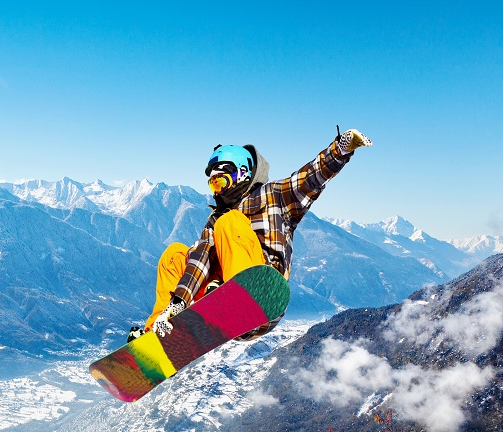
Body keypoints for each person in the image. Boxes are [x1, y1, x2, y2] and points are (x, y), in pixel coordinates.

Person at [129, 128, 372, 341]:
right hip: (222, 297)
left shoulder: (275, 196)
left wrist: (340, 149)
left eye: (221, 181)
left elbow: (309, 177)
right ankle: (161, 331)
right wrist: (177, 302)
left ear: (242, 173)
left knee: (230, 221)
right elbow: (199, 262)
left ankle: (237, 298)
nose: (217, 190)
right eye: (213, 184)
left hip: (262, 295)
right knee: (174, 255)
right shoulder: (216, 219)